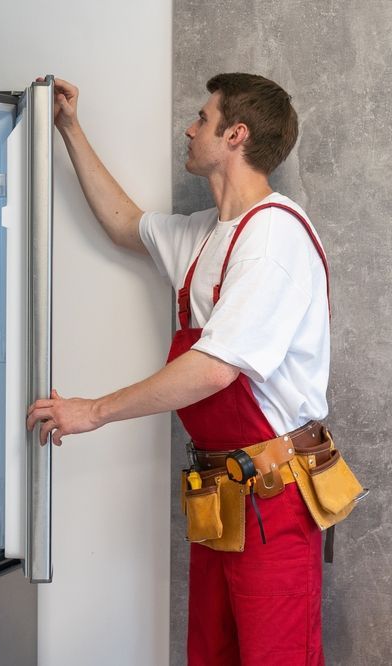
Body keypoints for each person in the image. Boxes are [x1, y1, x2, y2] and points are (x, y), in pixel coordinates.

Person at [26, 73, 329, 664]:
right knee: (212, 655)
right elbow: (124, 222)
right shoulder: (207, 234)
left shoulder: (272, 237)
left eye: (202, 118)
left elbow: (214, 369)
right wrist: (70, 128)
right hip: (221, 499)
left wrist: (94, 411)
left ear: (235, 135)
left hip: (275, 496)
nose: (189, 129)